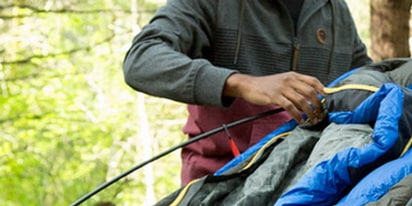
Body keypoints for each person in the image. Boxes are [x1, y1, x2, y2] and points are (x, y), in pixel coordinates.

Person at [123, 0, 372, 185]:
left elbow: (367, 80)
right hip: (219, 184)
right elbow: (142, 59)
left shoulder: (333, 10)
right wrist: (243, 84)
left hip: (306, 183)